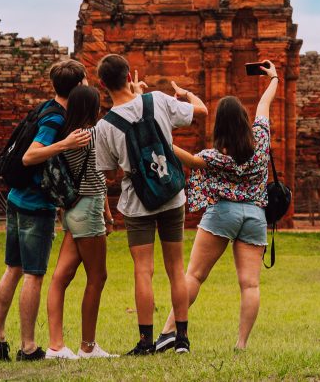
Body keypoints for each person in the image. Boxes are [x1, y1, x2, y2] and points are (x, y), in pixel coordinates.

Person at [157, 59, 279, 352]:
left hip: (223, 212)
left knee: (195, 276)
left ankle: (168, 333)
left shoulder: (214, 156)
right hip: (255, 215)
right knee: (250, 285)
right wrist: (273, 78)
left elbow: (188, 158)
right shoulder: (261, 139)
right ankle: (241, 344)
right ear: (244, 119)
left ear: (220, 126)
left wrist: (161, 136)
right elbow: (265, 105)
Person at [92, 53, 207, 355]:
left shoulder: (104, 127)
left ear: (102, 84)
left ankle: (146, 342)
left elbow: (108, 172)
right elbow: (200, 112)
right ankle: (181, 337)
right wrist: (184, 94)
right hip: (171, 194)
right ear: (130, 75)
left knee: (143, 270)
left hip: (137, 201)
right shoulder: (157, 99)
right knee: (176, 266)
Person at [0, 59, 91, 363]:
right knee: (33, 274)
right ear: (78, 85)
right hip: (33, 206)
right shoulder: (55, 119)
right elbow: (30, 156)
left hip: (17, 199)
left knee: (13, 268)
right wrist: (65, 143)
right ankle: (28, 346)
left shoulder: (45, 107)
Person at [24, 84, 117, 360]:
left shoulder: (67, 135)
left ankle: (56, 345)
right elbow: (109, 175)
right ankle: (87, 346)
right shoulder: (95, 134)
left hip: (71, 210)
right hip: (88, 209)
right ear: (93, 108)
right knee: (97, 277)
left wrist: (107, 213)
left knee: (60, 278)